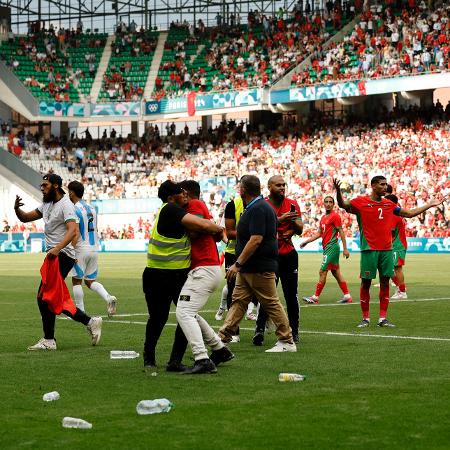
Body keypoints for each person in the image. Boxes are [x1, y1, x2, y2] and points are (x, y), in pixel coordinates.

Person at [334, 176, 447, 328]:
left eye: (386, 184)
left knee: (385, 282)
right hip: (369, 249)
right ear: (373, 186)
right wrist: (338, 192)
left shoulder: (389, 204)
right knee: (365, 283)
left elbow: (409, 213)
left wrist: (430, 204)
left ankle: (382, 318)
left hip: (387, 250)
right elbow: (343, 204)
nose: (385, 187)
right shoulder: (360, 202)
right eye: (382, 184)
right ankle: (365, 318)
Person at [14, 174, 102, 350]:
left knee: (44, 297)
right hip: (54, 256)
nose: (42, 187)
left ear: (55, 186)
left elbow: (73, 230)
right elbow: (25, 218)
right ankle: (90, 322)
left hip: (62, 256)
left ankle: (50, 339)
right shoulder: (47, 204)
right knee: (50, 298)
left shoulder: (66, 205)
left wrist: (57, 248)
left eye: (45, 185)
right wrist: (17, 209)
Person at [143, 180, 224, 370]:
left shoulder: (175, 211)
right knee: (159, 318)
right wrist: (219, 230)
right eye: (181, 192)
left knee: (184, 315)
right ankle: (150, 359)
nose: (185, 195)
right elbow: (202, 225)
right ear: (171, 198)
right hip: (159, 276)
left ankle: (174, 361)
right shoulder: (170, 210)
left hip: (177, 275)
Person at [218, 175, 296, 353]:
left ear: (243, 189)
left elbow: (256, 239)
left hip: (258, 266)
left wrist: (237, 264)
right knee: (238, 302)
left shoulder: (258, 208)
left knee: (271, 303)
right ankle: (222, 338)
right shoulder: (259, 207)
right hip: (250, 267)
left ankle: (287, 340)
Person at [176, 180, 234, 374]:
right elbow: (214, 231)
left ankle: (202, 358)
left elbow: (195, 230)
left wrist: (178, 224)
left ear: (186, 193)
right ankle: (219, 350)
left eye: (180, 192)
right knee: (189, 311)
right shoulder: (198, 207)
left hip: (204, 268)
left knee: (183, 312)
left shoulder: (194, 205)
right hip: (206, 267)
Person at [253, 175, 303, 346]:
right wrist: (281, 219)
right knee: (267, 295)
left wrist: (294, 227)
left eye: (284, 184)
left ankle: (294, 332)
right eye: (278, 185)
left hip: (288, 254)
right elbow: (262, 229)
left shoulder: (292, 204)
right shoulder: (263, 205)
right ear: (269, 187)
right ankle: (259, 330)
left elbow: (301, 228)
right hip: (269, 255)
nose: (282, 187)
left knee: (291, 295)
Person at [67, 181, 117, 316]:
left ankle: (80, 312)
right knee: (90, 281)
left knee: (76, 280)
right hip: (94, 248)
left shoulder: (74, 209)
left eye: (68, 191)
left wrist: (71, 250)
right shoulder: (93, 208)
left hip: (81, 249)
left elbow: (76, 232)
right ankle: (108, 297)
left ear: (72, 192)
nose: (68, 194)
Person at [301, 196, 352, 304]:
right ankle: (347, 296)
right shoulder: (323, 218)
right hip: (327, 248)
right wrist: (307, 241)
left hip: (332, 247)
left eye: (330, 202)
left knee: (322, 271)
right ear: (323, 204)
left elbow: (341, 231)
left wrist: (345, 248)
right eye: (326, 202)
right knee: (336, 272)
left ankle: (315, 297)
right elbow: (319, 233)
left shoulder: (335, 216)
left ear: (333, 204)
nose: (328, 204)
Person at [385, 194, 408, 299]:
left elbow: (391, 232)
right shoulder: (396, 214)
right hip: (395, 245)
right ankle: (400, 288)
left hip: (397, 245)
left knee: (397, 269)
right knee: (389, 268)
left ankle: (402, 292)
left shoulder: (394, 215)